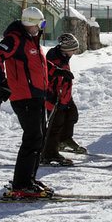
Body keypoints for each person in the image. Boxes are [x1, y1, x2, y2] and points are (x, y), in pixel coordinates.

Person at [0, 7, 73, 199]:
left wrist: (57, 71)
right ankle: (21, 184)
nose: (41, 28)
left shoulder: (30, 40)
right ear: (30, 23)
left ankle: (29, 179)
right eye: (40, 24)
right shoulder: (15, 39)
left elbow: (37, 65)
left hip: (37, 95)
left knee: (39, 138)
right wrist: (2, 82)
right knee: (33, 138)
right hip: (24, 97)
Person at [42, 33, 86, 166]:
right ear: (66, 49)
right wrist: (53, 95)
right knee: (56, 124)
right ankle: (49, 153)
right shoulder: (53, 58)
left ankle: (65, 139)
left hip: (65, 96)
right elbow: (47, 79)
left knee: (72, 115)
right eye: (73, 49)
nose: (74, 52)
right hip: (54, 97)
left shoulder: (63, 55)